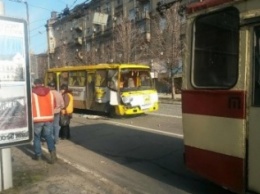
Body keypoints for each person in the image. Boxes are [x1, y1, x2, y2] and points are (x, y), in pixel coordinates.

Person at [31, 78, 57, 164]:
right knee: (48, 136)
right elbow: (54, 105)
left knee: (37, 137)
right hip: (48, 118)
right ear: (42, 83)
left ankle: (38, 155)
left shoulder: (32, 93)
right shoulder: (50, 93)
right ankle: (53, 153)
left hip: (37, 119)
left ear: (35, 84)